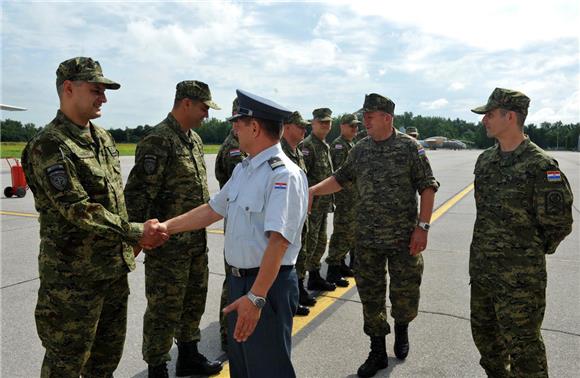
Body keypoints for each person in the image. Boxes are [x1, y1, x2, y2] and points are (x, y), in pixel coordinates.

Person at [21, 56, 167, 378]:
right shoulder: (49, 146)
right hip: (72, 282)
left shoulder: (103, 138)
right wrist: (134, 232)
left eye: (105, 90)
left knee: (104, 363)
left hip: (112, 272)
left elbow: (117, 199)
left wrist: (132, 243)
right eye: (96, 90)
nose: (104, 98)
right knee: (66, 365)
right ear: (69, 89)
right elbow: (78, 208)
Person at [150, 89, 308, 378]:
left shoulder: (283, 174)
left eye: (239, 121)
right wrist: (165, 227)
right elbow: (211, 210)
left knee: (267, 369)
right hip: (240, 284)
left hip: (266, 287)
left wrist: (256, 297)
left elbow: (279, 241)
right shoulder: (245, 170)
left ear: (255, 127)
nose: (233, 127)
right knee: (243, 368)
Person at [309, 93, 439, 378]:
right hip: (366, 239)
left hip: (404, 239)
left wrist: (423, 227)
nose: (364, 122)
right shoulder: (360, 150)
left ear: (386, 118)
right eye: (363, 117)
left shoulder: (410, 147)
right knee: (371, 296)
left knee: (404, 294)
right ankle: (377, 350)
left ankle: (402, 329)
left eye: (369, 117)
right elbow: (340, 179)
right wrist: (312, 191)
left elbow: (427, 186)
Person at [469, 88, 573, 378]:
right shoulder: (485, 162)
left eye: (489, 115)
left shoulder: (541, 166)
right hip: (483, 273)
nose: (484, 121)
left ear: (510, 116)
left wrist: (526, 253)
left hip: (520, 280)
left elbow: (559, 224)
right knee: (487, 343)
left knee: (525, 352)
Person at [123, 80, 223, 377]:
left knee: (194, 302)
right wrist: (138, 239)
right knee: (163, 310)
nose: (207, 114)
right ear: (187, 103)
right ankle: (157, 366)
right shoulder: (158, 140)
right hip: (167, 247)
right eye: (204, 107)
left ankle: (189, 356)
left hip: (195, 244)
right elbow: (138, 197)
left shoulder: (193, 140)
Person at [214, 98, 248, 350]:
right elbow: (243, 183)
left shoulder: (242, 144)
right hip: (237, 220)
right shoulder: (233, 147)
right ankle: (228, 336)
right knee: (233, 281)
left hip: (243, 220)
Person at [282, 111, 315, 316]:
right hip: (286, 218)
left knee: (299, 256)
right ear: (286, 127)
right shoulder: (280, 152)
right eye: (300, 126)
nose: (304, 130)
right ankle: (287, 301)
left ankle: (295, 295)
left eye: (305, 126)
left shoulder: (298, 152)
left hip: (300, 216)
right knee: (285, 261)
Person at [302, 108, 337, 292]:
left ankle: (314, 276)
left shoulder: (324, 145)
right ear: (313, 123)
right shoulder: (308, 146)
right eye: (321, 121)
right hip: (312, 206)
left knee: (321, 241)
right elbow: (303, 177)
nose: (325, 125)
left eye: (328, 122)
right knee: (310, 242)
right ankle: (302, 281)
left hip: (323, 205)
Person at [325, 113, 360, 286]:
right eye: (352, 126)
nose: (355, 129)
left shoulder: (350, 144)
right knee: (341, 233)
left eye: (356, 126)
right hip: (345, 198)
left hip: (353, 198)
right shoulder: (339, 146)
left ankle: (341, 265)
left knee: (351, 234)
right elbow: (340, 174)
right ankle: (333, 269)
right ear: (343, 127)